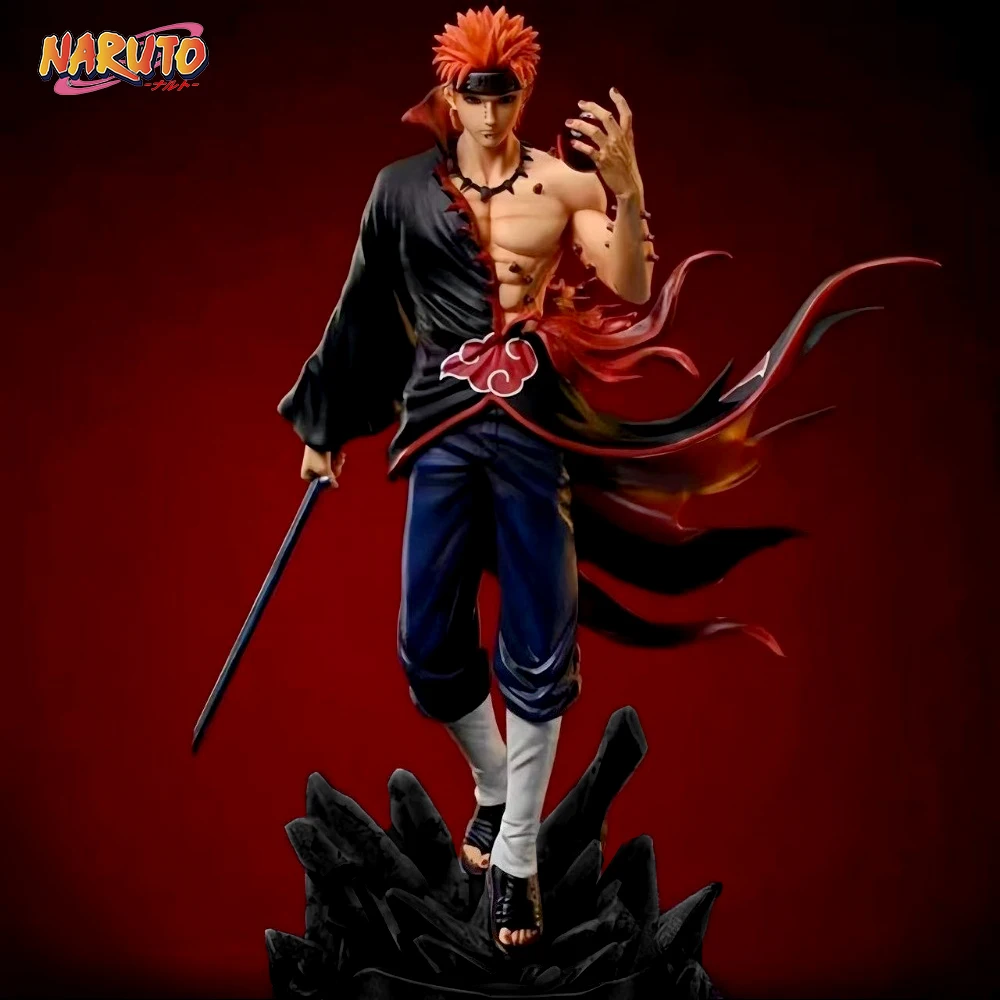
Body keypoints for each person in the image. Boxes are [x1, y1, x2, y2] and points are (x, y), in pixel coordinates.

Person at [277, 5, 936, 952]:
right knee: (427, 644)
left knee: (540, 638)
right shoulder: (400, 190)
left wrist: (628, 191)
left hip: (533, 427)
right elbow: (363, 307)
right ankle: (497, 786)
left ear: (524, 94)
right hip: (444, 420)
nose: (490, 113)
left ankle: (515, 860)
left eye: (505, 94)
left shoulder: (562, 184)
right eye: (473, 95)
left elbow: (627, 283)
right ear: (449, 95)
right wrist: (325, 423)